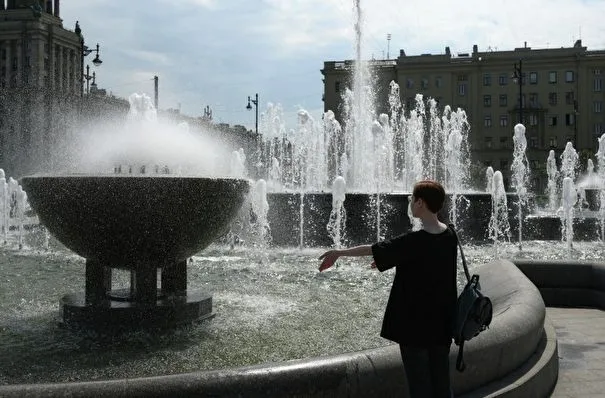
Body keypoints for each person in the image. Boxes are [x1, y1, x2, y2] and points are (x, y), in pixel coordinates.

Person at [318, 180, 457, 398]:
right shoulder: (450, 235)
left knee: (419, 386)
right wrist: (394, 260)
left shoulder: (413, 240)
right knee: (441, 384)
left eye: (412, 199)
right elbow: (427, 265)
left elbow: (373, 249)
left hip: (415, 328)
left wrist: (338, 253)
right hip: (442, 325)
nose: (410, 202)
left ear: (420, 203)